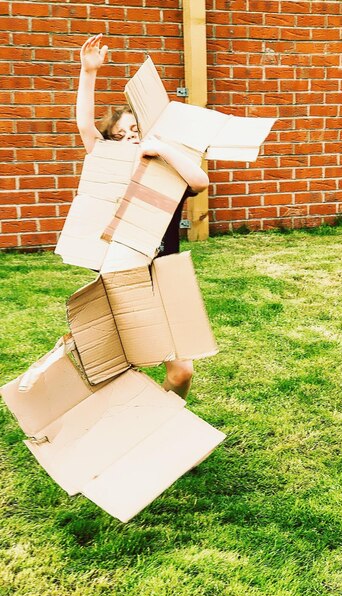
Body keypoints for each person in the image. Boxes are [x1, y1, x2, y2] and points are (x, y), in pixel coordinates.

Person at [76, 34, 209, 399]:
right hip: (120, 277)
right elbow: (86, 129)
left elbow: (200, 181)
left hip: (163, 275)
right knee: (114, 370)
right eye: (120, 136)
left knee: (182, 371)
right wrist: (89, 74)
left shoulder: (167, 171)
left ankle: (168, 426)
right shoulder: (110, 166)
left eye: (136, 132)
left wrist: (161, 148)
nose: (130, 140)